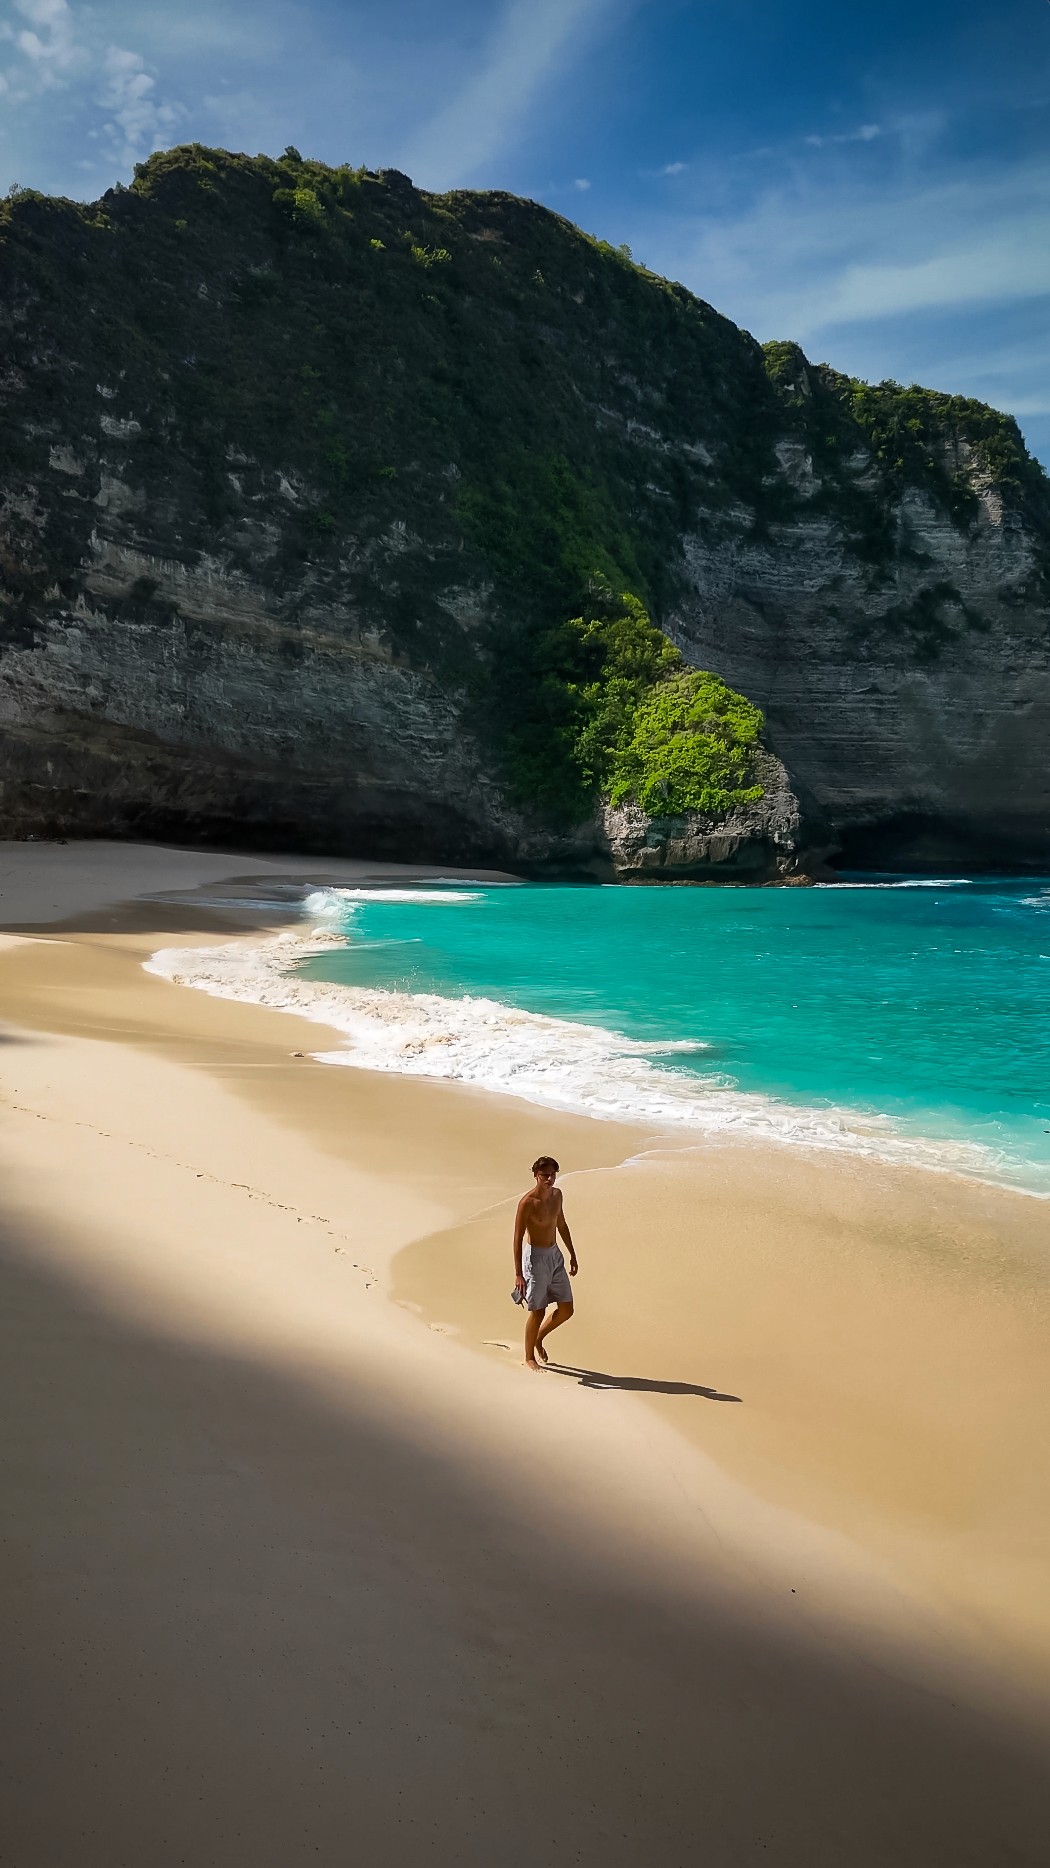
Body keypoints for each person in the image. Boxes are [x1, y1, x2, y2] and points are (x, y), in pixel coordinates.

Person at [512, 1155, 578, 1371]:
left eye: (552, 1175)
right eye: (544, 1175)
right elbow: (517, 1237)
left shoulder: (558, 1195)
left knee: (567, 1309)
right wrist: (519, 1273)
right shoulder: (527, 1203)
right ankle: (529, 1356)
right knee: (538, 1310)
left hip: (554, 1254)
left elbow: (562, 1224)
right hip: (535, 1258)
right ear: (535, 1176)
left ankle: (538, 1338)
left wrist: (572, 1254)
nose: (549, 1179)